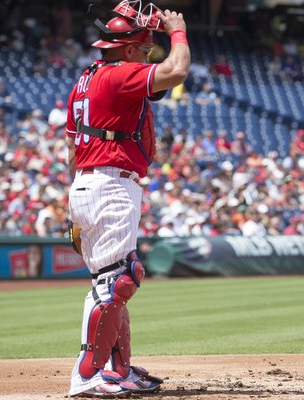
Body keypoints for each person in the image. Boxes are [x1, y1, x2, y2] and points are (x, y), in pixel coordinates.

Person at [65, 1, 190, 397]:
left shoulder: (85, 80)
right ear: (130, 49)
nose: (147, 55)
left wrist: (80, 199)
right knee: (118, 281)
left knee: (115, 277)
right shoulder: (119, 75)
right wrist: (177, 32)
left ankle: (119, 371)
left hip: (89, 181)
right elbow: (177, 70)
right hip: (109, 183)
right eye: (144, 49)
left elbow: (72, 150)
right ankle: (88, 374)